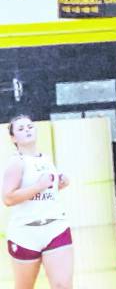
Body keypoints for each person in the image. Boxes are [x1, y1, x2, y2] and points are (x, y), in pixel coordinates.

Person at [1, 115, 73, 289]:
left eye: (29, 126)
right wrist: (39, 186)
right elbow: (8, 198)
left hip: (55, 227)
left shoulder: (46, 159)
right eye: (20, 129)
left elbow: (46, 190)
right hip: (26, 233)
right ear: (13, 138)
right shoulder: (16, 163)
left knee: (62, 285)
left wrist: (59, 183)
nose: (27, 130)